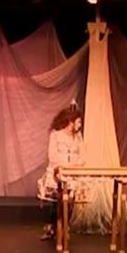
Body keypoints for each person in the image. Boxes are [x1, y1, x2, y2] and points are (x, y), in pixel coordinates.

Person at [37, 102, 86, 241]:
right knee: (57, 200)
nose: (80, 125)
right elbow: (53, 157)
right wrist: (65, 166)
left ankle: (64, 227)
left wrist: (75, 166)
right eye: (78, 121)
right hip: (58, 173)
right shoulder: (56, 135)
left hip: (73, 174)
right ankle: (54, 227)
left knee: (70, 200)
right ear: (70, 122)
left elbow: (83, 156)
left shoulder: (78, 136)